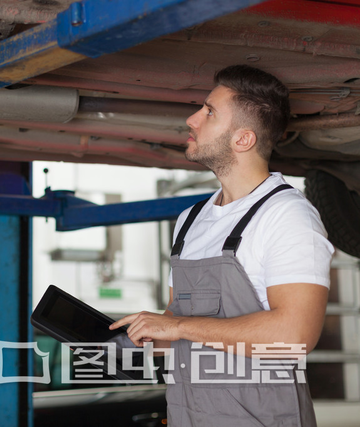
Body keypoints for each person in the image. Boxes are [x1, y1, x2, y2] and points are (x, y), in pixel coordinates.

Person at [110, 65, 333, 426]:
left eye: (209, 112)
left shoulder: (287, 216)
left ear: (242, 139)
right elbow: (176, 322)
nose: (192, 119)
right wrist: (144, 337)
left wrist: (179, 327)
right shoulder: (190, 219)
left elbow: (294, 335)